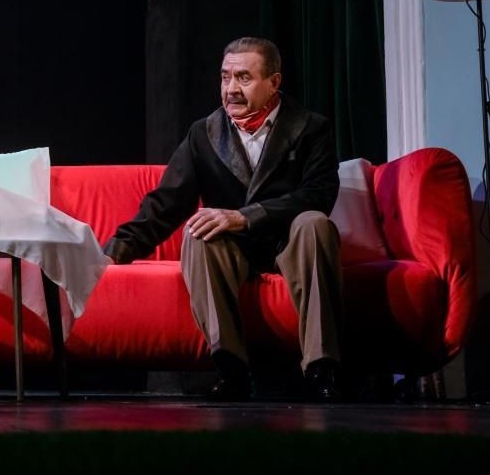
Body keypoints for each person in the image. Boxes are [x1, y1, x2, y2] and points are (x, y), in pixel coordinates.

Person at [104, 37, 343, 402]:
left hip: (289, 240)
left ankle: (321, 369)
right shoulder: (204, 134)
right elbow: (166, 203)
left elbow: (319, 194)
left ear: (274, 82)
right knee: (199, 232)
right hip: (234, 251)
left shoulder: (310, 128)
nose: (231, 89)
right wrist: (115, 251)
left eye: (244, 77)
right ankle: (231, 369)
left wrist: (245, 217)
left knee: (314, 223)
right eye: (225, 77)